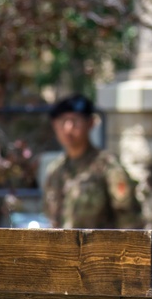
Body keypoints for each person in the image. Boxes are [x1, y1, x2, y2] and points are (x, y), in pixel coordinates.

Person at [42, 94, 142, 229]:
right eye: (62, 121)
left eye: (75, 120)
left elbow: (127, 217)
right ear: (54, 125)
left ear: (90, 123)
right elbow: (51, 219)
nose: (68, 128)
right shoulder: (55, 171)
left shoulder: (107, 166)